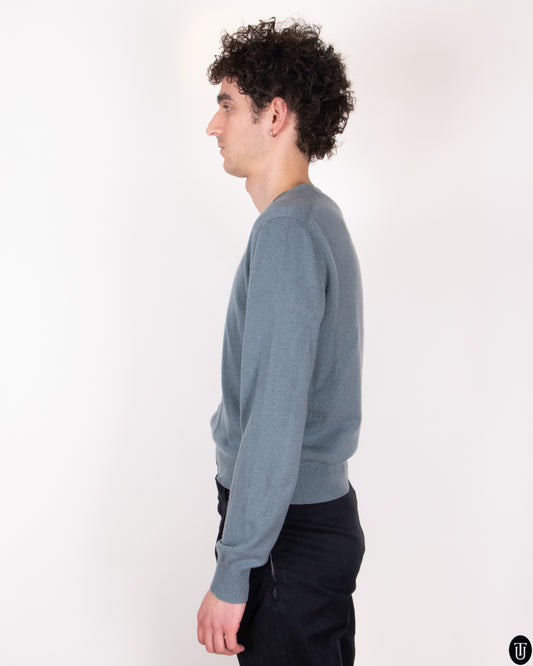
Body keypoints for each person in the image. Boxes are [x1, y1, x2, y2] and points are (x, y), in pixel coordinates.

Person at [197, 18, 365, 665]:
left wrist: (235, 567)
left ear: (273, 115)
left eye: (226, 105)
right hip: (301, 528)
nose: (213, 126)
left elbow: (274, 414)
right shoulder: (314, 217)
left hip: (284, 539)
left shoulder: (288, 233)